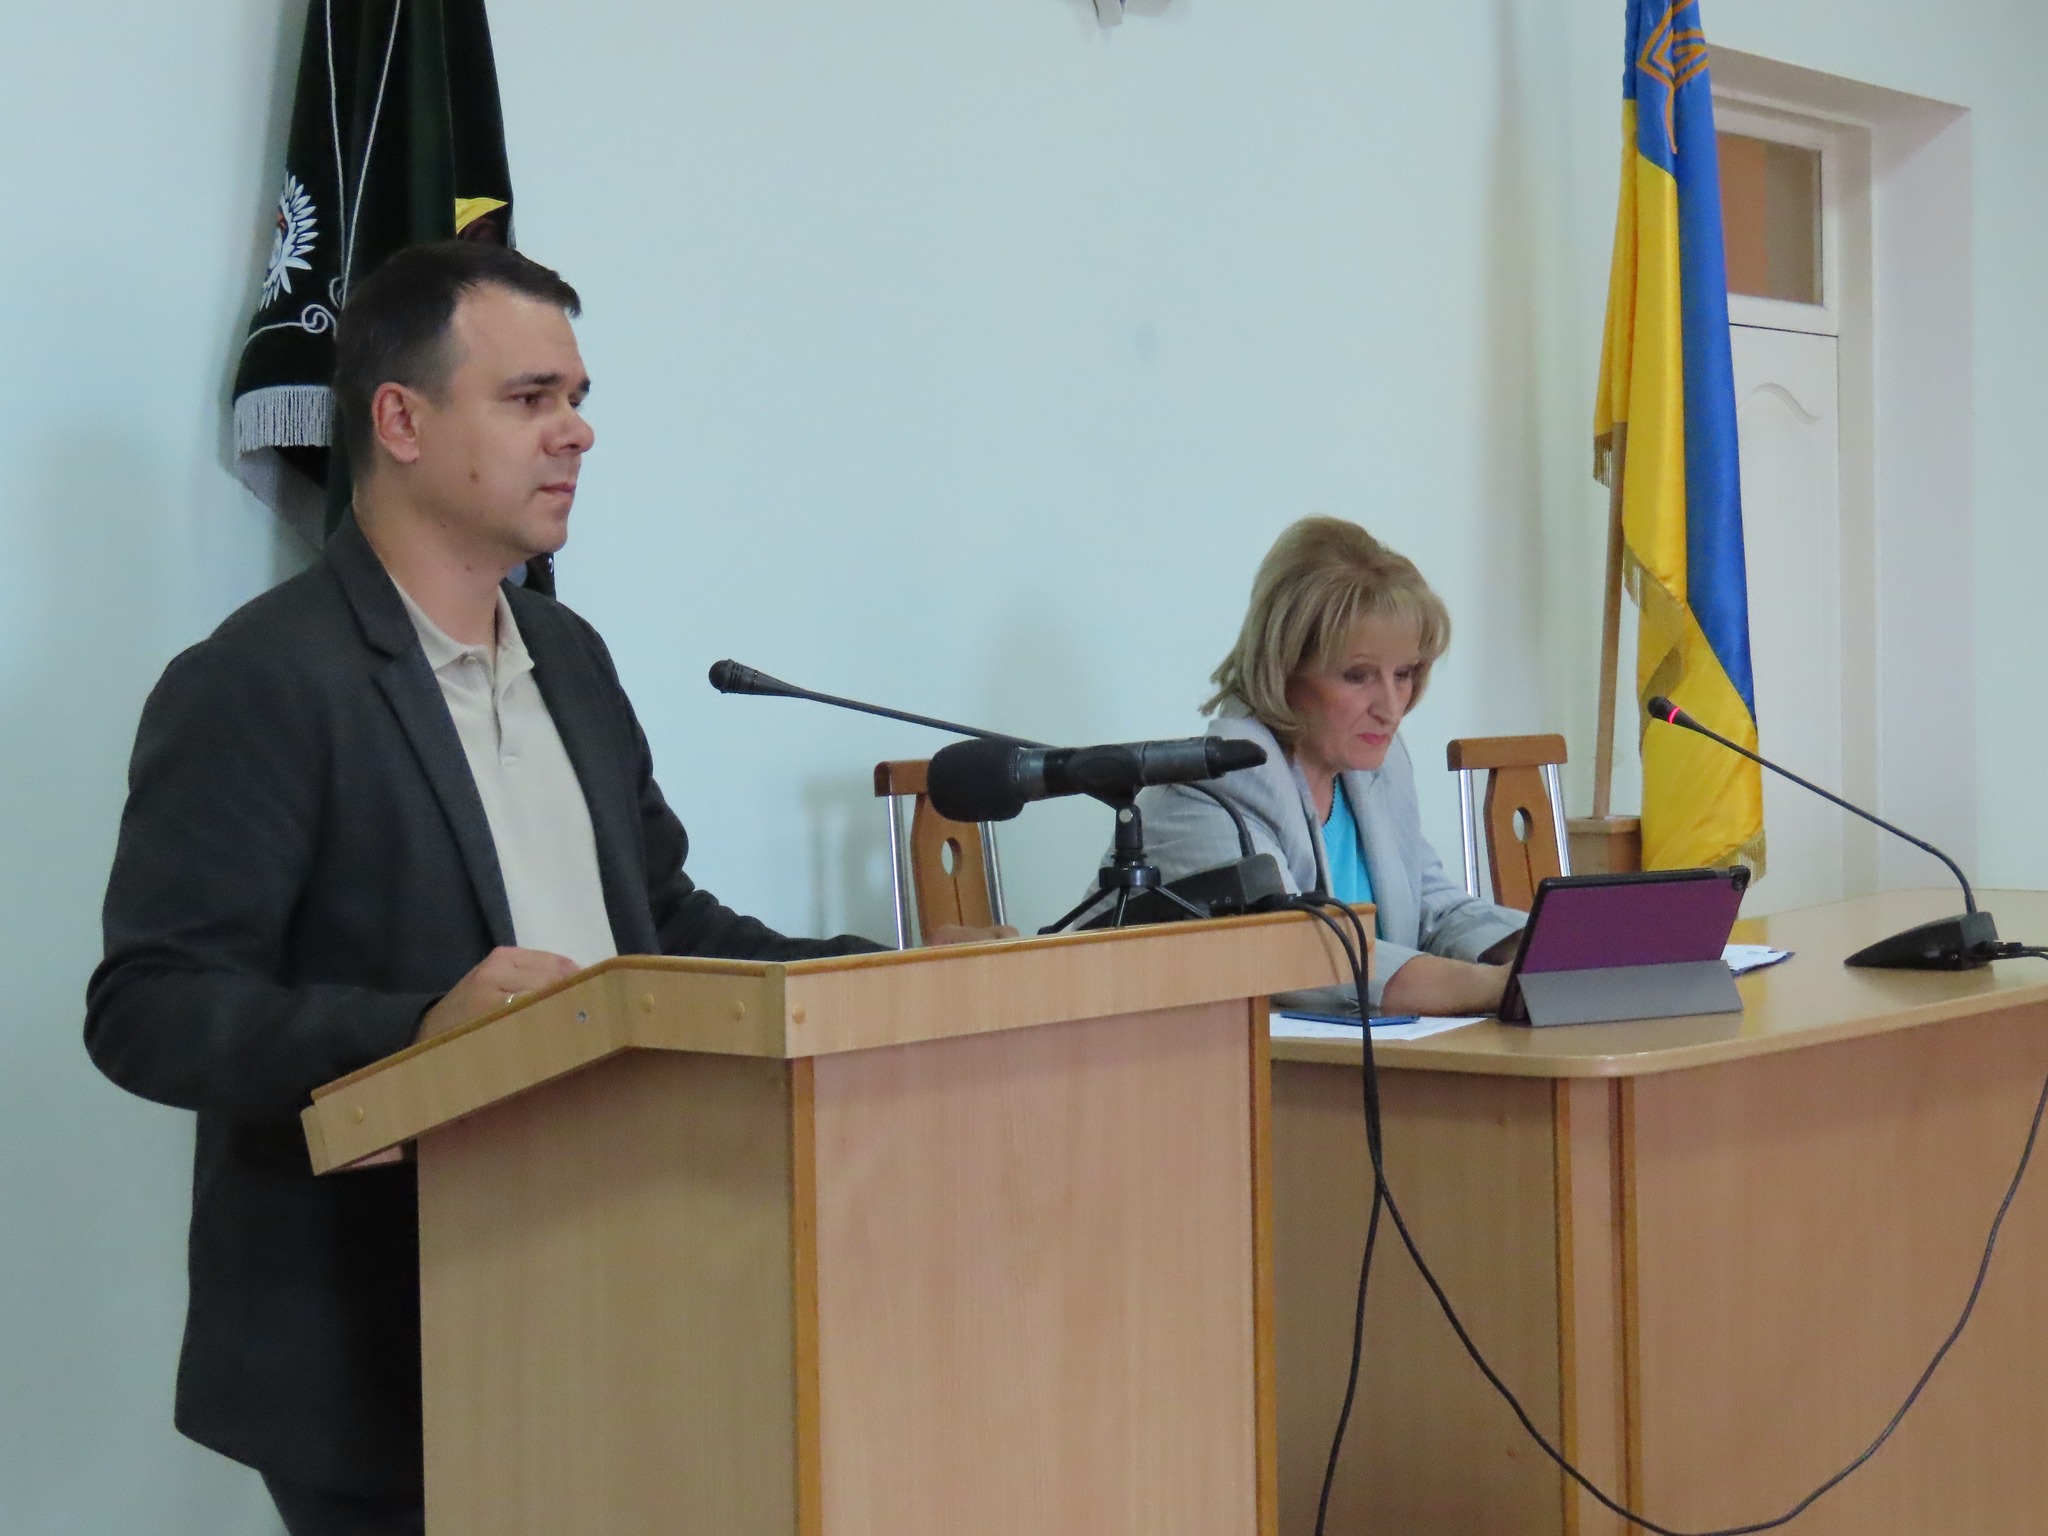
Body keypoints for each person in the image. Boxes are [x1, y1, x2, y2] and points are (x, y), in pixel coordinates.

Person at [83, 241, 996, 1535]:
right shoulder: (261, 681)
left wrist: (880, 977)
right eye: (529, 398)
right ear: (401, 421)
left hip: (618, 1288)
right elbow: (151, 1006)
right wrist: (418, 1032)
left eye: (576, 397)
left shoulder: (568, 656)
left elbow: (660, 928)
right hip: (385, 1344)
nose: (577, 432)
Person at [1108, 515, 1525, 1014]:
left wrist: (1546, 951)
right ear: (1285, 667)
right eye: (1358, 676)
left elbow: (1433, 910)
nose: (1391, 708)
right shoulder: (1208, 790)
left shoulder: (1377, 767)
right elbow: (1296, 954)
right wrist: (1500, 987)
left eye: (1404, 673)